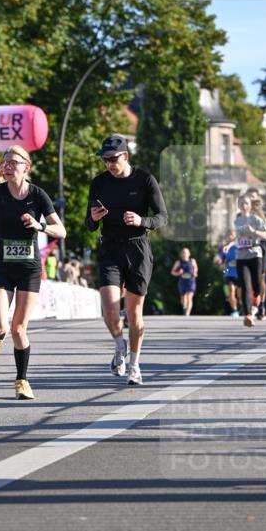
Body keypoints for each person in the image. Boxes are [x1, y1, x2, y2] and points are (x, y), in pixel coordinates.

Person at [0, 145, 65, 400]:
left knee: (19, 328)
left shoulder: (38, 195)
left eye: (13, 163)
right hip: (4, 269)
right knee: (0, 326)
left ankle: (22, 381)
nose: (8, 167)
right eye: (5, 162)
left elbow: (61, 230)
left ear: (26, 167)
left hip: (29, 270)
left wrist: (40, 225)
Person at [85, 133, 168, 386]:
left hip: (138, 248)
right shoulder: (99, 183)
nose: (109, 164)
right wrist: (94, 218)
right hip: (110, 247)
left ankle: (134, 365)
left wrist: (142, 220)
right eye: (105, 160)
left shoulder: (145, 179)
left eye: (113, 159)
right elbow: (89, 224)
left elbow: (162, 217)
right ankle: (119, 346)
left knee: (134, 314)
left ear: (126, 156)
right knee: (110, 309)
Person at [233, 194, 266, 327]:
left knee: (256, 286)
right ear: (238, 205)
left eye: (246, 203)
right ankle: (248, 315)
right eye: (241, 203)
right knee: (245, 286)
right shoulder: (236, 221)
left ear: (250, 205)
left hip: (255, 255)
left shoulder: (256, 219)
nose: (244, 205)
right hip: (241, 256)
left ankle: (257, 300)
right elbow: (234, 237)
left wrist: (254, 231)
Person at [245, 189, 266, 321]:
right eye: (249, 198)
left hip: (260, 248)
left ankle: (262, 305)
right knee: (248, 280)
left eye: (253, 197)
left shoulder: (264, 215)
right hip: (246, 249)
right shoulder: (241, 214)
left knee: (260, 279)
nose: (251, 200)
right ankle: (251, 306)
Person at [217, 230, 239, 316]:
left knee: (240, 295)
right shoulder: (225, 248)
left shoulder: (239, 246)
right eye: (229, 235)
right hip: (229, 274)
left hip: (240, 273)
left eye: (232, 235)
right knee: (231, 292)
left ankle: (243, 308)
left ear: (235, 236)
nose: (230, 236)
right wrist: (219, 261)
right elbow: (221, 259)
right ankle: (235, 310)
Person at [170, 247, 198, 316]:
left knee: (189, 297)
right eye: (183, 252)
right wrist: (178, 273)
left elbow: (196, 269)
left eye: (186, 252)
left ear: (189, 254)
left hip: (191, 281)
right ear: (181, 254)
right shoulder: (178, 262)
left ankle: (187, 313)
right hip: (182, 281)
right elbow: (172, 272)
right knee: (183, 299)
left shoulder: (192, 261)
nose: (184, 254)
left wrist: (195, 272)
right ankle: (184, 309)